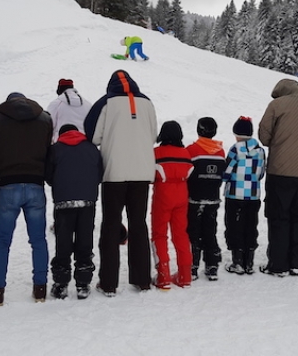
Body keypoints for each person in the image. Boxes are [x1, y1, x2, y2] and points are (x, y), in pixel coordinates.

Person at [84, 69, 158, 296]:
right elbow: (153, 134)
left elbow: (93, 135)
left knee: (111, 225)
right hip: (142, 173)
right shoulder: (147, 102)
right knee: (138, 224)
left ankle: (108, 283)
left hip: (114, 173)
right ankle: (142, 279)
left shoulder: (106, 102)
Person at [0, 92, 53, 306]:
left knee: (2, 241)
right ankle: (40, 289)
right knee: (38, 240)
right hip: (35, 184)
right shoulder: (45, 119)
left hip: (7, 185)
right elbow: (48, 152)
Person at [258, 78, 298, 276]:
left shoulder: (276, 105)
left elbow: (264, 136)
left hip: (281, 171)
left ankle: (278, 264)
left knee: (279, 217)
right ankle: (296, 262)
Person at [45, 124, 103, 300]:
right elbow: (99, 172)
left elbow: (48, 175)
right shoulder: (91, 148)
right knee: (84, 241)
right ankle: (83, 283)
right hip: (87, 202)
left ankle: (61, 284)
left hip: (63, 202)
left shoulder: (55, 150)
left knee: (63, 242)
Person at [151, 121, 194, 289]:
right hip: (182, 196)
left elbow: (150, 174)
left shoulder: (156, 153)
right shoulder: (185, 153)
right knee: (181, 234)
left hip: (163, 196)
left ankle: (163, 276)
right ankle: (185, 276)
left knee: (159, 235)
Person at [223, 116, 266, 274]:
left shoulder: (235, 149)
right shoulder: (260, 151)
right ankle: (249, 261)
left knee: (234, 226)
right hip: (253, 196)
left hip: (234, 195)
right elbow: (261, 173)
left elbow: (226, 172)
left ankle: (238, 261)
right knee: (250, 226)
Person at [186, 117, 226, 281]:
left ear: (198, 130)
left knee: (193, 232)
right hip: (213, 198)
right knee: (210, 231)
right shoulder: (221, 151)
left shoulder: (192, 150)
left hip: (194, 198)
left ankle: (193, 266)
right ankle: (212, 266)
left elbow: (187, 173)